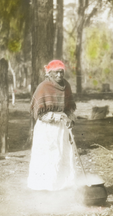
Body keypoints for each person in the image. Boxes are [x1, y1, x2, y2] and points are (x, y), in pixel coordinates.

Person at [27, 60, 78, 191]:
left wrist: (70, 117)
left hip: (61, 129)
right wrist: (55, 116)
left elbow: (68, 107)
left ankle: (62, 186)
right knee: (48, 156)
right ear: (50, 73)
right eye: (57, 72)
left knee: (61, 154)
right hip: (47, 128)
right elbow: (39, 113)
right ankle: (45, 187)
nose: (60, 75)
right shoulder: (43, 87)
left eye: (62, 72)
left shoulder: (66, 86)